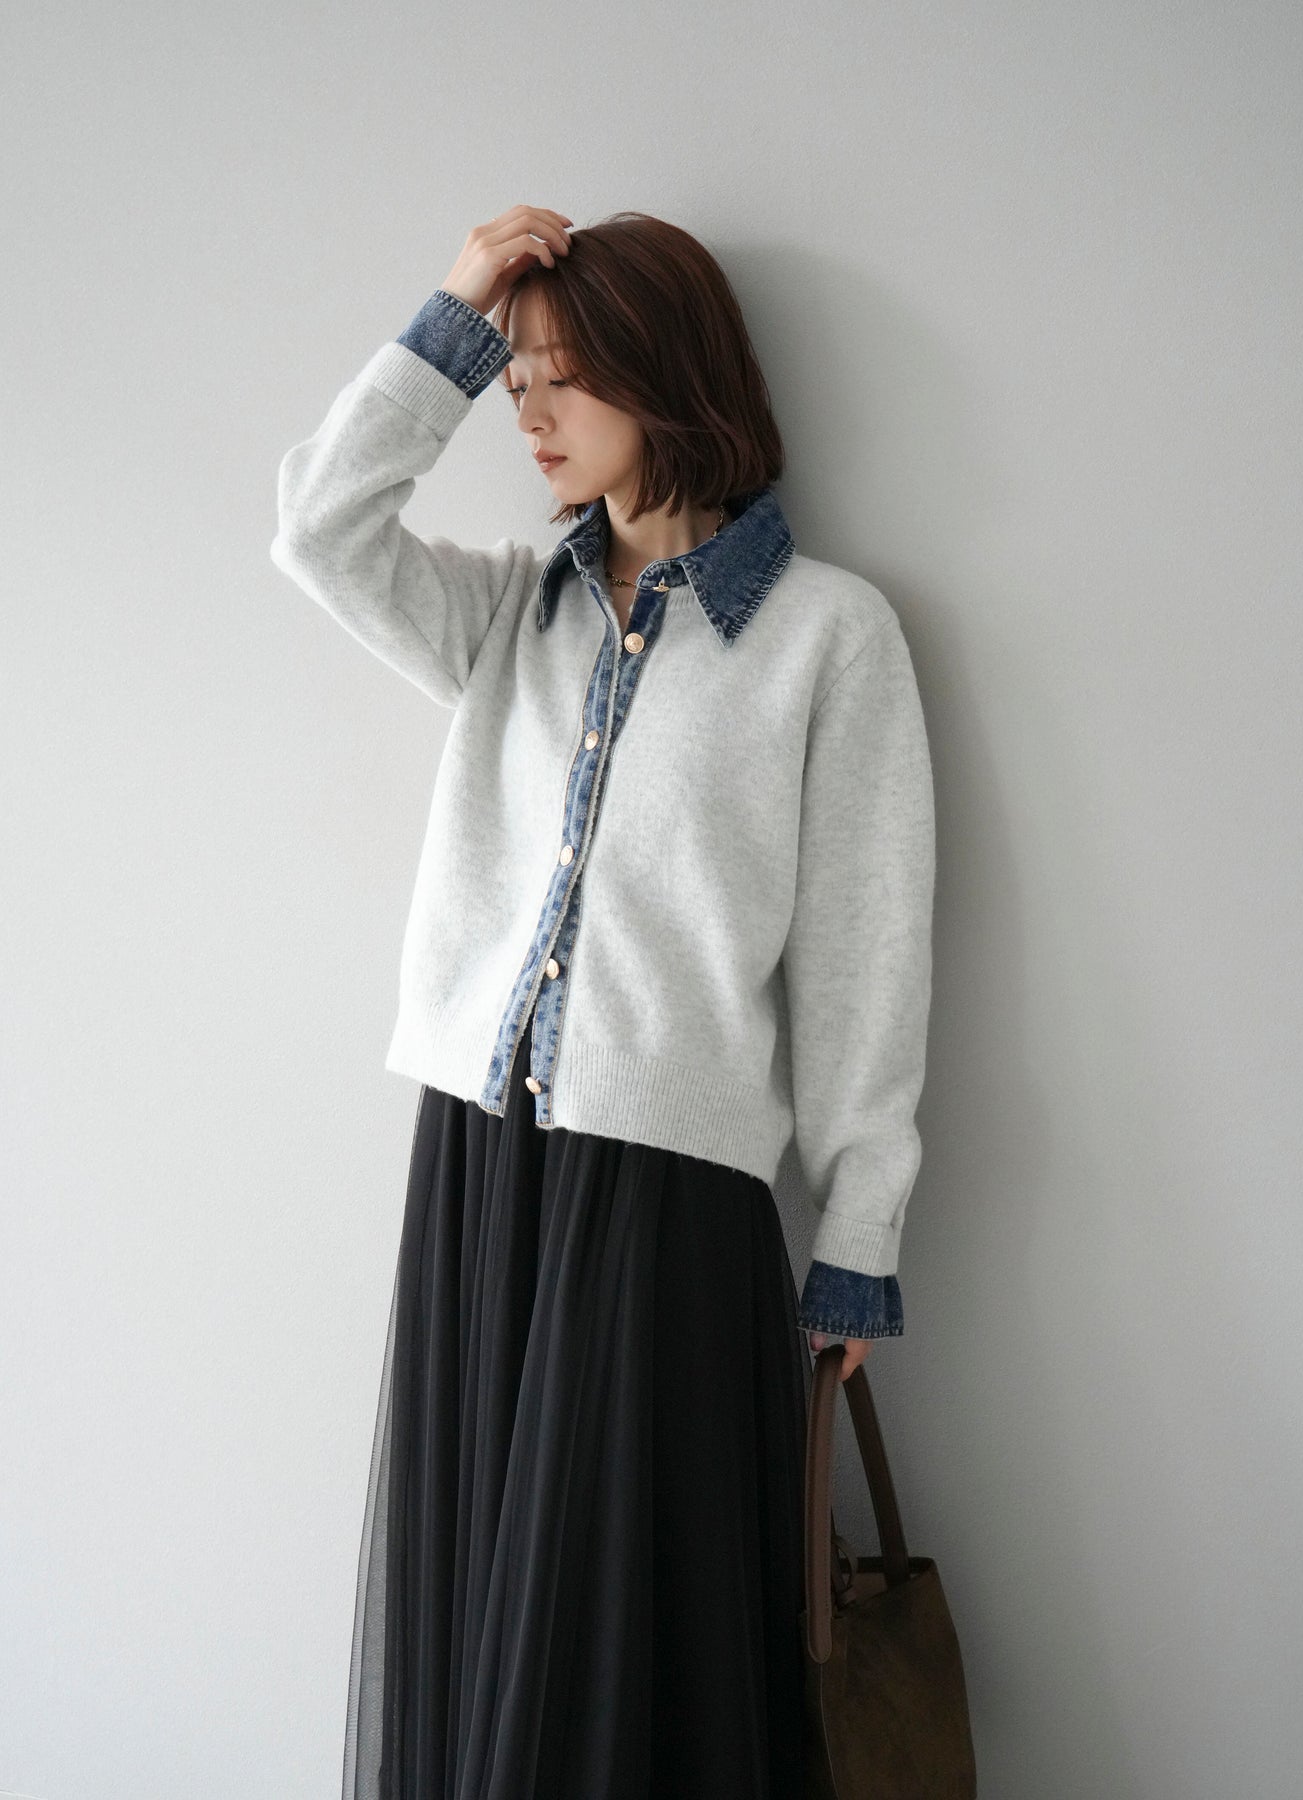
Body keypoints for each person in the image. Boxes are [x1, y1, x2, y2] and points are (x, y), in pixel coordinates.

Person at [269, 205, 936, 1800]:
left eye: (561, 377)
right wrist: (453, 318)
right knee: (484, 1621)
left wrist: (858, 1235)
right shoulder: (514, 611)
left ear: (667, 371)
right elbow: (321, 532)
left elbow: (865, 949)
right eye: (516, 381)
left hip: (663, 1193)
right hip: (479, 1167)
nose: (530, 413)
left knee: (603, 1645)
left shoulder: (827, 635)